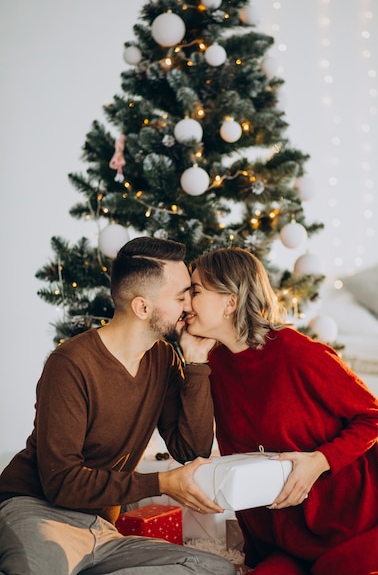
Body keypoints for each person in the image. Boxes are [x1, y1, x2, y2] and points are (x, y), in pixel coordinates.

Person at [0, 237, 235, 575]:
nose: (189, 307)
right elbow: (61, 482)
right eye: (181, 296)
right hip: (37, 511)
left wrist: (196, 363)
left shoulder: (164, 358)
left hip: (100, 528)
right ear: (142, 307)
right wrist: (162, 484)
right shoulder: (71, 363)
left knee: (212, 567)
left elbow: (191, 448)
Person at [185, 246, 378, 575]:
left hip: (347, 525)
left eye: (195, 291)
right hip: (284, 537)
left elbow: (373, 416)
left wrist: (318, 462)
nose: (185, 302)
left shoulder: (296, 352)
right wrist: (194, 361)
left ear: (230, 301)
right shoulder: (215, 364)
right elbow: (201, 447)